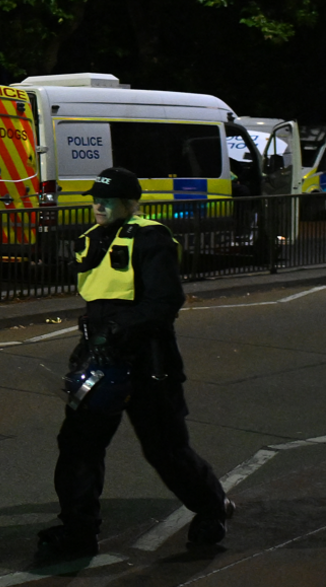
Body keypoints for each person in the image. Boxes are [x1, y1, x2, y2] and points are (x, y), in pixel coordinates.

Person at [37, 166, 233, 560]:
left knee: (166, 450)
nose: (98, 206)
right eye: (95, 198)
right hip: (100, 361)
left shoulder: (150, 238)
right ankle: (79, 531)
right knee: (78, 447)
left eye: (107, 200)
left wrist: (120, 331)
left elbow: (164, 302)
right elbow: (98, 301)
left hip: (149, 363)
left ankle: (212, 507)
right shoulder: (91, 239)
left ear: (129, 203)